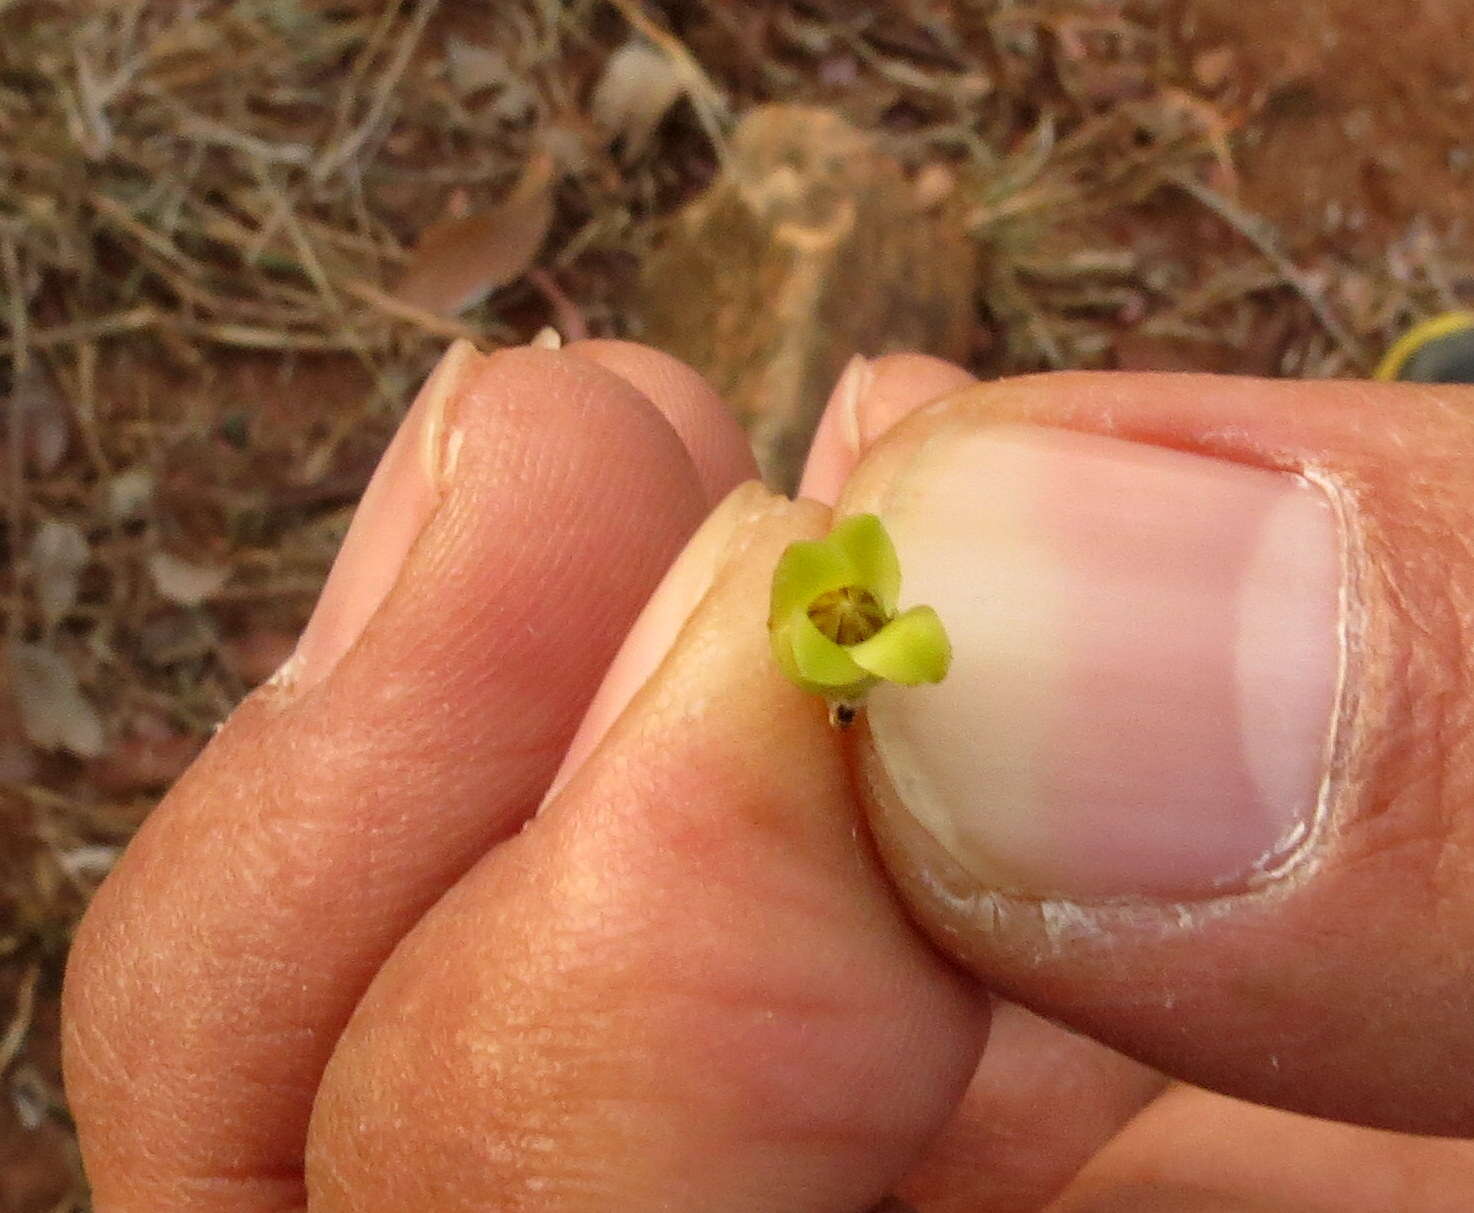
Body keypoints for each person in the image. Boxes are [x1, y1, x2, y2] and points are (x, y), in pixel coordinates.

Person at [60, 337, 1474, 1211]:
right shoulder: (838, 624)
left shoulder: (882, 631)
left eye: (852, 623)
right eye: (838, 623)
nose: (843, 624)